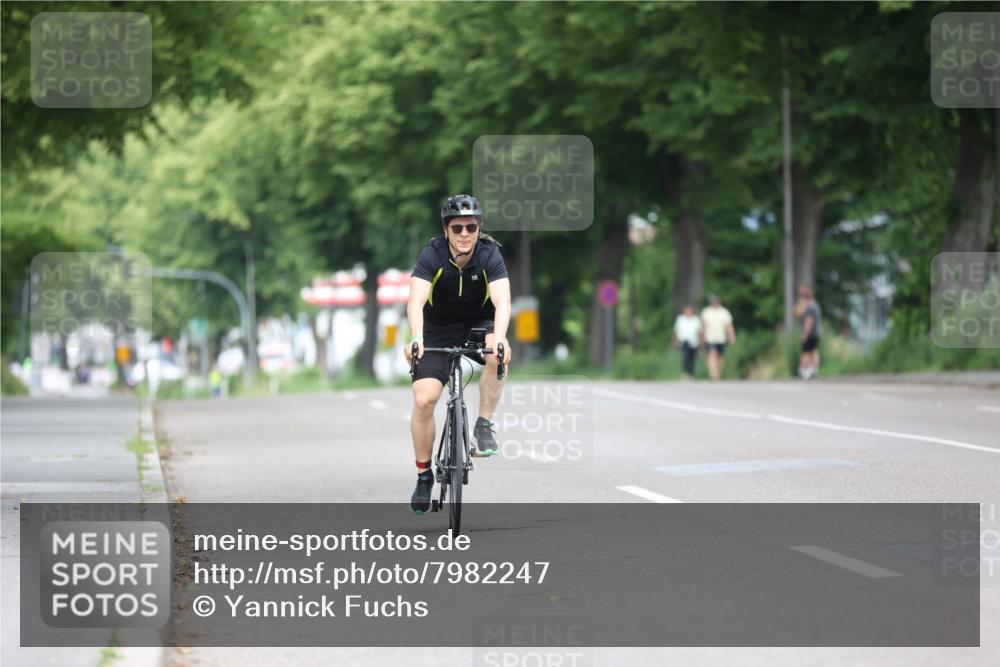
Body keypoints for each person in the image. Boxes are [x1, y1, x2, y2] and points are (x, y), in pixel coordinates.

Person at [404, 194, 512, 513]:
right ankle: (424, 476)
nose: (465, 233)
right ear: (446, 230)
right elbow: (415, 302)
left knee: (500, 354)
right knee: (424, 399)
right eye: (457, 228)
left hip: (478, 322)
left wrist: (502, 338)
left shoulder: (490, 254)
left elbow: (503, 301)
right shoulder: (432, 254)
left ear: (479, 228)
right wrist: (416, 338)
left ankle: (484, 424)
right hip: (437, 326)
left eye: (471, 227)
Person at [700, 294, 735, 380]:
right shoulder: (706, 312)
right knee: (712, 355)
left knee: (720, 357)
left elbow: (729, 326)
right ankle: (713, 375)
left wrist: (731, 337)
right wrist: (702, 337)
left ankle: (718, 373)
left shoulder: (724, 312)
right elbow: (703, 325)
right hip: (710, 338)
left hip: (721, 338)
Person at [794, 284, 822, 379]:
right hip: (816, 333)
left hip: (810, 333)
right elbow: (797, 313)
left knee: (806, 352)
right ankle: (813, 370)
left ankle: (804, 371)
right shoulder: (815, 305)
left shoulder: (810, 307)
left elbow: (808, 322)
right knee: (813, 351)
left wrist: (805, 335)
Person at [671, 304, 701, 380]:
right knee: (686, 357)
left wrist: (701, 341)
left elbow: (700, 331)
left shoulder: (696, 320)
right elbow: (676, 330)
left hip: (694, 341)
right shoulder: (680, 319)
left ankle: (691, 373)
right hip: (684, 340)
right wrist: (674, 340)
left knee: (692, 358)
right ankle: (685, 373)